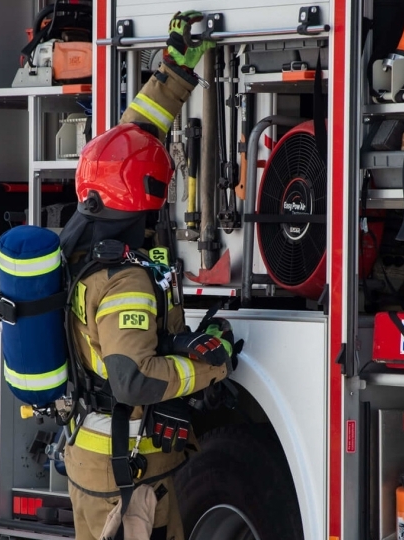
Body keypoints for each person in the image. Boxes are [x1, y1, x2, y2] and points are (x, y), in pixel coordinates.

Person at [57, 11, 242, 540]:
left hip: (111, 466)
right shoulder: (125, 280)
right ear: (149, 200)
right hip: (128, 478)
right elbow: (132, 378)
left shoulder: (84, 234)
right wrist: (209, 366)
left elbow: (135, 138)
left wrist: (174, 69)